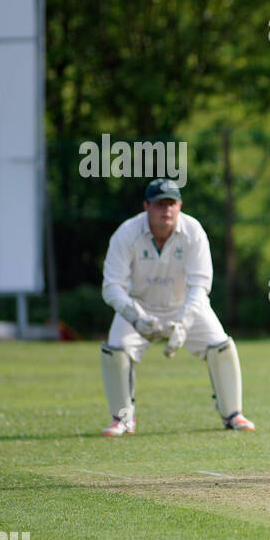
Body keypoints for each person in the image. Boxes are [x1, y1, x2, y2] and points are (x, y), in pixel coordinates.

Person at [98, 177, 255, 436]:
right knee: (116, 351)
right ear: (146, 206)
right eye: (160, 204)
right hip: (139, 307)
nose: (166, 210)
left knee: (221, 346)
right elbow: (112, 286)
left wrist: (183, 323)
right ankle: (123, 418)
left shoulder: (193, 232)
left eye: (171, 204)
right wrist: (135, 317)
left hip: (185, 306)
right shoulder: (126, 233)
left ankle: (233, 414)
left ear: (180, 206)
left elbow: (200, 285)